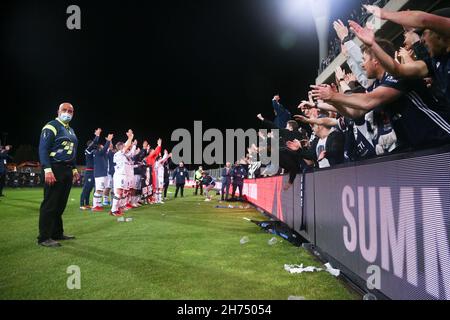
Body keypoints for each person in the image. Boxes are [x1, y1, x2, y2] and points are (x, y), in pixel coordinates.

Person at [311, 37, 450, 149]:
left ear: (376, 60)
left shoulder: (397, 75)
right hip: (419, 146)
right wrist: (333, 100)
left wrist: (334, 95)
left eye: (365, 60)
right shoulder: (377, 84)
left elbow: (368, 101)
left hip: (440, 137)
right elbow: (355, 113)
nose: (363, 65)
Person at [38, 102, 79, 247]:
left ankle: (57, 233)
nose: (67, 113)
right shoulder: (51, 126)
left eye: (70, 111)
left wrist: (74, 169)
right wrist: (47, 169)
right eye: (65, 110)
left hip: (66, 170)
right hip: (54, 169)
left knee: (60, 205)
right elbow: (43, 149)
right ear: (58, 111)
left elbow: (71, 151)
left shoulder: (71, 130)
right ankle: (43, 237)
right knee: (50, 204)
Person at [110, 130, 134, 216]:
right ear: (121, 147)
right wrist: (130, 137)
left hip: (123, 175)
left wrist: (131, 140)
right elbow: (127, 145)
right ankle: (113, 210)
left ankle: (117, 208)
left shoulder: (123, 155)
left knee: (122, 193)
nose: (126, 147)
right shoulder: (118, 154)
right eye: (124, 146)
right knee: (118, 192)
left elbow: (130, 151)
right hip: (119, 176)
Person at [91, 132, 113, 212]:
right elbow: (105, 149)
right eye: (102, 146)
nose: (103, 147)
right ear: (99, 147)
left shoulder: (101, 154)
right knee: (99, 190)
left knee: (100, 189)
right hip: (99, 174)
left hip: (102, 174)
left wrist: (109, 142)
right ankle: (95, 205)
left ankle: (99, 204)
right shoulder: (97, 152)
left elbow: (107, 149)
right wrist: (108, 140)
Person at [79, 129, 100, 210]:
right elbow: (94, 143)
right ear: (89, 145)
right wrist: (97, 136)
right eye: (92, 145)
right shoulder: (87, 150)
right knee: (86, 188)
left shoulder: (93, 151)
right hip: (89, 171)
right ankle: (81, 204)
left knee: (90, 189)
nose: (94, 146)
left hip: (94, 171)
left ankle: (87, 203)